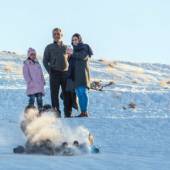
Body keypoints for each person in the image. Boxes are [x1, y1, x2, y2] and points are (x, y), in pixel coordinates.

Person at [43, 27, 70, 117]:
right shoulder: (49, 47)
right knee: (54, 94)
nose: (56, 35)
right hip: (54, 73)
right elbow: (44, 61)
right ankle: (56, 113)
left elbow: (71, 59)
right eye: (54, 34)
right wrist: (50, 71)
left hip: (65, 73)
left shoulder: (67, 47)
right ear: (52, 36)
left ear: (61, 35)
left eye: (58, 34)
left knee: (67, 94)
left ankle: (67, 113)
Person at [70, 33, 93, 117]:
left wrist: (72, 54)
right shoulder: (73, 50)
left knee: (83, 93)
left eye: (75, 39)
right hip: (75, 75)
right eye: (73, 40)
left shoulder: (85, 47)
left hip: (83, 75)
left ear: (79, 40)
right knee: (79, 94)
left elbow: (82, 56)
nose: (74, 41)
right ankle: (82, 112)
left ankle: (85, 111)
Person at [23, 48, 45, 112]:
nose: (33, 56)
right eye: (31, 54)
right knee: (32, 98)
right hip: (32, 85)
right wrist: (29, 81)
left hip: (39, 85)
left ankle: (40, 111)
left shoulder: (37, 63)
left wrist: (43, 80)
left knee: (39, 98)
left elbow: (41, 73)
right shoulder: (26, 64)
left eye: (34, 54)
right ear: (29, 55)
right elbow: (25, 74)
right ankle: (30, 111)